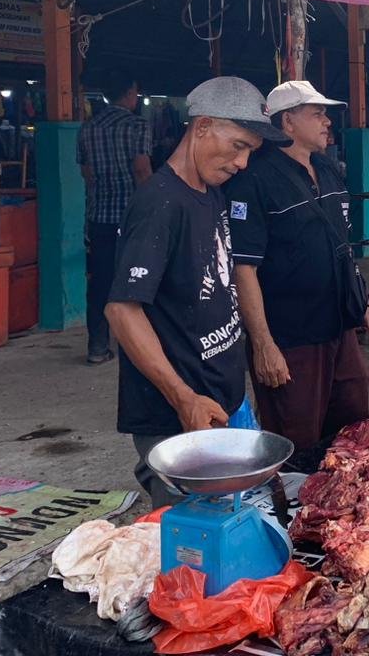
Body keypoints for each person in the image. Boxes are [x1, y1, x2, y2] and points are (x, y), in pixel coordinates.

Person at [104, 77, 283, 507]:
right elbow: (122, 310)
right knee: (196, 550)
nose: (242, 163)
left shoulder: (210, 193)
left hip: (223, 401)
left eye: (250, 152)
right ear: (202, 126)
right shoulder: (160, 203)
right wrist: (183, 398)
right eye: (238, 145)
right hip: (178, 417)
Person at [226, 80, 369, 452]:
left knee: (353, 427)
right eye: (317, 113)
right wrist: (263, 344)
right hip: (291, 339)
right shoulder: (255, 178)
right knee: (296, 440)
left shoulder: (326, 168)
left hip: (338, 328)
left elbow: (340, 245)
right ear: (288, 122)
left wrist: (361, 300)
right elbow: (242, 268)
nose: (327, 121)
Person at [77, 68, 153, 365]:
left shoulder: (88, 128)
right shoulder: (137, 126)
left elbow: (87, 174)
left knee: (100, 283)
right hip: (132, 219)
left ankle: (97, 346)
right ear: (130, 92)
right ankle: (139, 348)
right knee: (139, 282)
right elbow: (142, 170)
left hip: (100, 219)